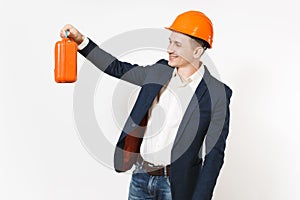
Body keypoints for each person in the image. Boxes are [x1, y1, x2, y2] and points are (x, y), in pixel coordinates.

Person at [60, 10, 232, 200]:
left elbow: (214, 155)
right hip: (141, 177)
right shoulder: (158, 71)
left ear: (197, 51)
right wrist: (81, 41)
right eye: (170, 41)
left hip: (176, 185)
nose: (169, 49)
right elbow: (117, 68)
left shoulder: (217, 93)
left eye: (177, 44)